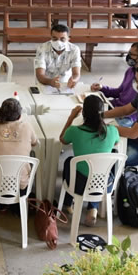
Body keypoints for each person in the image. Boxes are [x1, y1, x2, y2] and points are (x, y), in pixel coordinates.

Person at [59, 96, 120, 226]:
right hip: (105, 184)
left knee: (69, 161)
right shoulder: (112, 130)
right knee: (112, 157)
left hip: (79, 184)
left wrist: (71, 117)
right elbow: (117, 142)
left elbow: (62, 139)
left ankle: (68, 203)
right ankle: (93, 208)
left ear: (83, 113)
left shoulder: (75, 131)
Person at [0, 98, 38, 198]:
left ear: (0, 113)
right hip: (20, 188)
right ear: (20, 116)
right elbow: (35, 143)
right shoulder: (27, 127)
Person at [89, 41, 138, 127]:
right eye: (129, 53)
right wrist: (102, 88)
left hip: (128, 117)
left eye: (132, 54)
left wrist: (125, 115)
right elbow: (119, 91)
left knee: (103, 128)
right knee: (89, 110)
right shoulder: (130, 70)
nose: (128, 56)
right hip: (116, 106)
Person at [34, 24, 81, 89]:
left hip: (65, 83)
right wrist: (50, 82)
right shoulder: (42, 48)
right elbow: (40, 75)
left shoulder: (74, 49)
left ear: (68, 38)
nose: (58, 42)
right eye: (55, 39)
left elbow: (76, 73)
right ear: (51, 37)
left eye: (62, 39)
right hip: (45, 83)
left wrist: (74, 80)